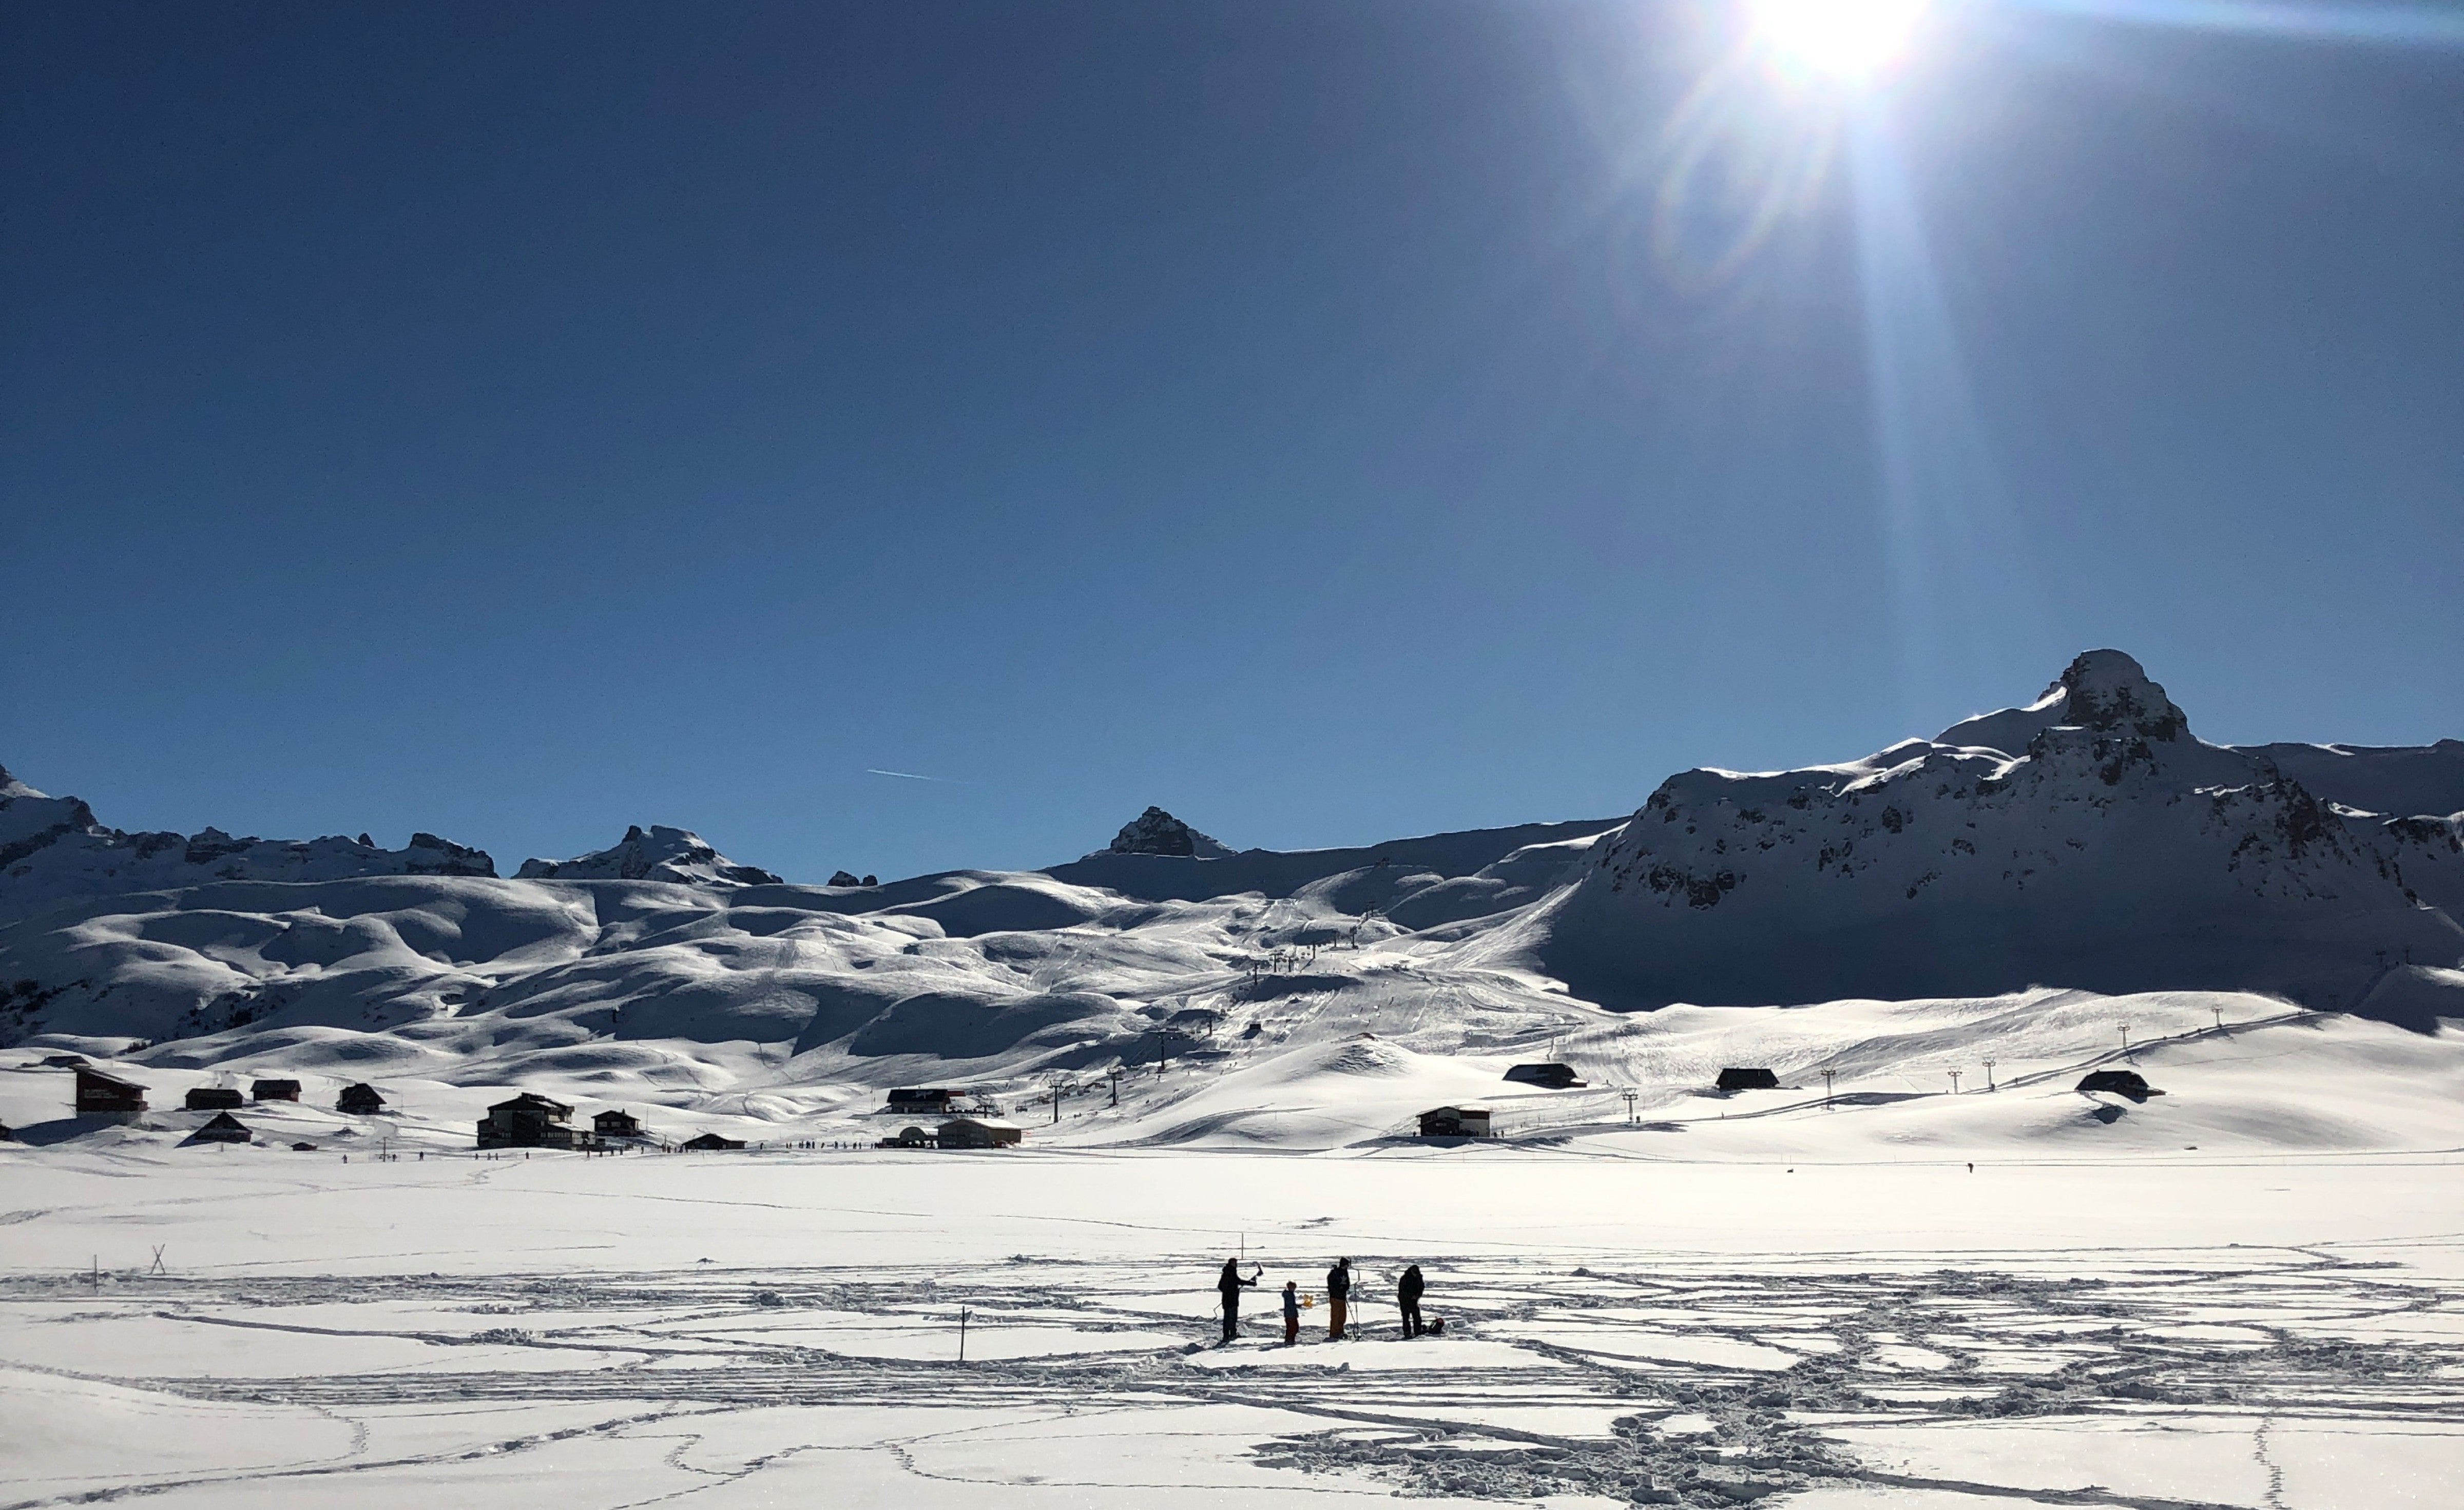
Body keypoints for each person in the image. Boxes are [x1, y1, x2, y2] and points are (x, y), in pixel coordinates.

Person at [1217, 1257, 1259, 1343]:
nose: (1236, 1265)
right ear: (1231, 1263)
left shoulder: (1230, 1272)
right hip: (1230, 1300)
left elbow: (1236, 1282)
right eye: (1235, 1263)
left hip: (1231, 1299)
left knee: (1231, 1318)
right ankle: (1229, 1335)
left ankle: (1230, 1335)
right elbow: (1224, 1285)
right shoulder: (1229, 1273)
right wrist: (1230, 1291)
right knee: (1230, 1318)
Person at [1398, 1263, 1426, 1339]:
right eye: (1414, 1273)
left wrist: (1417, 1296)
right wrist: (1411, 1296)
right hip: (1404, 1300)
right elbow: (1402, 1290)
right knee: (1406, 1317)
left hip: (1414, 1301)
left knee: (1417, 1317)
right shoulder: (1405, 1278)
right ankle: (1407, 1333)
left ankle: (1418, 1331)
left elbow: (1421, 1287)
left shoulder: (1419, 1278)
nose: (1415, 1275)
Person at [1326, 1257, 1351, 1341]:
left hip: (1342, 1297)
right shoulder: (1335, 1272)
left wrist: (1345, 1288)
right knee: (1336, 1317)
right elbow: (1331, 1284)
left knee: (1342, 1316)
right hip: (1335, 1297)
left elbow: (1347, 1283)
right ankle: (1334, 1333)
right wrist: (1338, 1289)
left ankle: (1340, 1332)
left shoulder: (1345, 1272)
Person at [1281, 1280, 1300, 1344]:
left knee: (1291, 1328)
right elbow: (1290, 1305)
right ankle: (1290, 1340)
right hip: (1290, 1314)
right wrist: (1297, 1306)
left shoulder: (1290, 1294)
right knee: (1294, 1328)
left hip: (1290, 1314)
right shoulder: (1289, 1295)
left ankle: (1289, 1340)